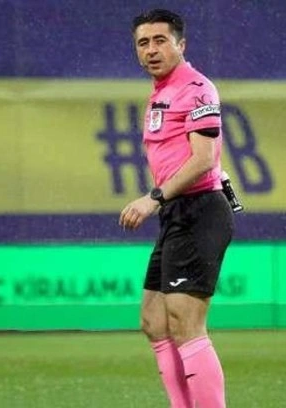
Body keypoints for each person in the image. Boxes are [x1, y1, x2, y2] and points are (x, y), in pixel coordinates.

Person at [119, 9, 234, 408]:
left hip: (200, 211)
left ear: (181, 45)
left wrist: (153, 198)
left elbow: (203, 159)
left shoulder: (196, 88)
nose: (151, 50)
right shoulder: (161, 92)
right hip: (178, 212)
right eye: (143, 43)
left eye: (160, 40)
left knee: (186, 323)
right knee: (154, 320)